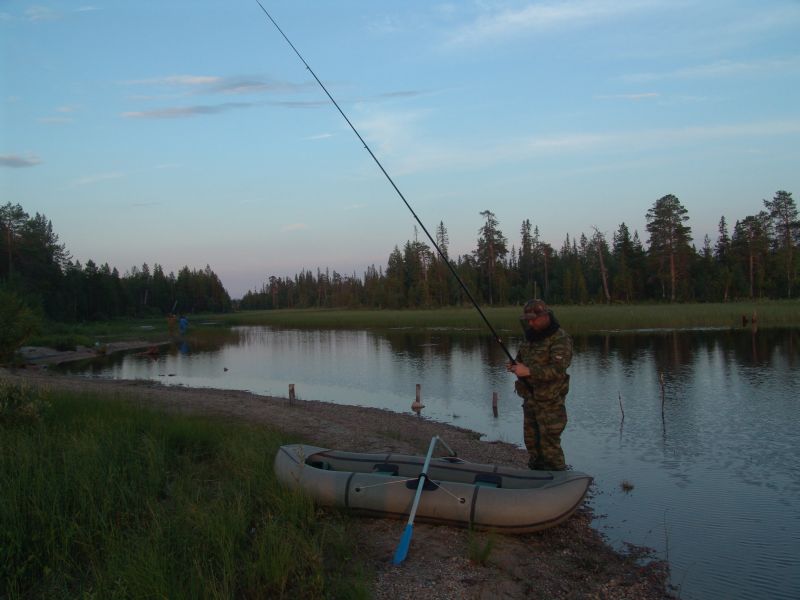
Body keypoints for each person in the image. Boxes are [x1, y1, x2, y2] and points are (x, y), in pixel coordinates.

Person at [506, 299, 573, 471]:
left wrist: (528, 371)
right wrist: (515, 365)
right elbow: (522, 358)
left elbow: (558, 369)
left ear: (545, 316)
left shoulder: (560, 338)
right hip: (530, 399)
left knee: (550, 443)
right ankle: (536, 475)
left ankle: (558, 479)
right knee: (532, 442)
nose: (530, 322)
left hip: (550, 402)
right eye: (527, 319)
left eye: (533, 319)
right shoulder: (530, 337)